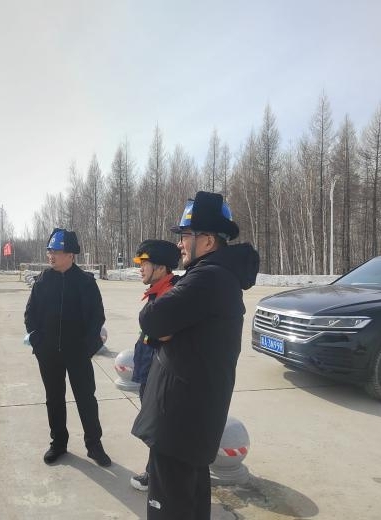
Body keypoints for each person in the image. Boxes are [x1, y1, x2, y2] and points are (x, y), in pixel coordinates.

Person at [131, 191, 260, 519]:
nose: (180, 244)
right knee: (190, 504)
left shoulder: (208, 278)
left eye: (186, 235)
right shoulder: (213, 276)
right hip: (191, 422)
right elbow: (160, 328)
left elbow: (151, 320)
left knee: (171, 508)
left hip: (180, 424)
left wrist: (162, 327)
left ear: (208, 240)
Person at [24, 228, 111, 467]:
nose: (51, 256)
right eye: (49, 251)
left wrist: (87, 348)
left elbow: (97, 318)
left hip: (78, 353)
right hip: (49, 354)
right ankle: (58, 443)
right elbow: (30, 315)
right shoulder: (42, 281)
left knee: (86, 399)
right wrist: (38, 342)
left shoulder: (85, 282)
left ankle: (94, 445)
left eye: (56, 251)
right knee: (54, 399)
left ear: (70, 255)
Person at [129, 239, 181, 492]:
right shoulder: (158, 291)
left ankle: (156, 476)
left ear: (160, 267)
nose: (140, 268)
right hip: (149, 372)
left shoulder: (171, 295)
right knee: (156, 426)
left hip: (160, 375)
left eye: (144, 263)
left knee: (160, 428)